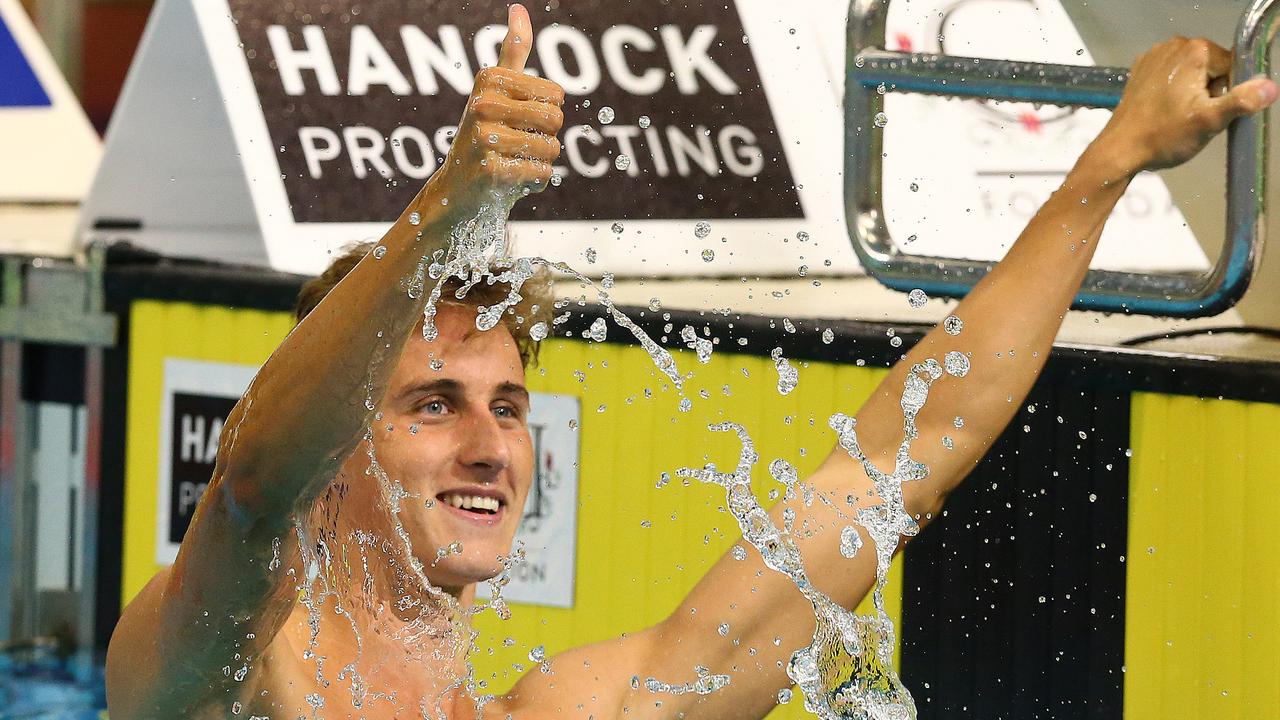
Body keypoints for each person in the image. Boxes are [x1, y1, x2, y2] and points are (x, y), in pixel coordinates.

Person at [104, 5, 1277, 719]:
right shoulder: (231, 682)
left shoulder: (577, 711)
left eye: (507, 406)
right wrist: (449, 205)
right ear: (338, 459)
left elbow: (895, 459)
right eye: (430, 404)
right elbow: (256, 480)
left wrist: (1108, 162)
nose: (489, 446)